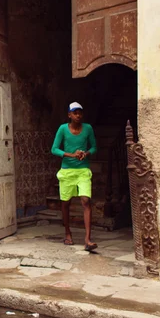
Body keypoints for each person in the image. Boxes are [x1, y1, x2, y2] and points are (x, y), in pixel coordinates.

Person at [51, 102, 98, 251]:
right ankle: (67, 233)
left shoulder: (88, 128)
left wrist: (86, 153)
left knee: (85, 201)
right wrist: (71, 154)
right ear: (69, 115)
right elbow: (54, 149)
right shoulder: (63, 129)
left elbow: (94, 147)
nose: (78, 115)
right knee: (65, 203)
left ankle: (88, 240)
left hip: (83, 170)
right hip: (67, 171)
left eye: (80, 112)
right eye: (75, 112)